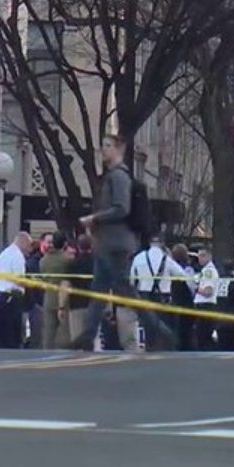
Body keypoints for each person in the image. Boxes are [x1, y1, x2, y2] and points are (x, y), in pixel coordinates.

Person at [72, 134, 141, 350]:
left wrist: (94, 218)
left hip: (116, 244)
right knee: (99, 292)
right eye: (103, 145)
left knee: (123, 289)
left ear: (120, 149)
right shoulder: (112, 176)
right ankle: (87, 336)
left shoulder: (119, 177)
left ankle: (157, 329)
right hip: (107, 244)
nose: (103, 150)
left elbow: (122, 208)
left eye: (108, 146)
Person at [129, 235, 184, 351]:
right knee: (161, 323)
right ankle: (165, 346)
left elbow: (132, 280)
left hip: (144, 295)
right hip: (162, 296)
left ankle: (150, 346)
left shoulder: (139, 258)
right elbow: (181, 275)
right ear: (161, 244)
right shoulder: (167, 259)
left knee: (147, 324)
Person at [0, 232, 35, 349]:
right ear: (23, 242)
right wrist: (33, 282)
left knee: (2, 333)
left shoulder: (4, 254)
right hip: (11, 299)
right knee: (12, 334)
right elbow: (19, 279)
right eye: (29, 245)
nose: (30, 250)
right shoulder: (17, 257)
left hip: (0, 297)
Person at [39, 232, 72, 350]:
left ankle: (46, 354)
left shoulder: (44, 260)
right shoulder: (67, 260)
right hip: (65, 298)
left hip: (48, 297)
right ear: (65, 244)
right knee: (65, 330)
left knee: (49, 331)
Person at [61, 235, 94, 347]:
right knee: (93, 337)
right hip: (95, 305)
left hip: (76, 305)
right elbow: (105, 285)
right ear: (92, 246)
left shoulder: (72, 264)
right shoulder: (98, 264)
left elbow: (65, 285)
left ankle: (79, 361)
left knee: (76, 337)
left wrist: (61, 306)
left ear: (79, 247)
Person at [23, 232, 53, 348]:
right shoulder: (33, 262)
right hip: (37, 305)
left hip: (51, 305)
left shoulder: (55, 260)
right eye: (48, 242)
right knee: (37, 338)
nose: (51, 245)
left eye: (52, 243)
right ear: (41, 242)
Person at [170, 244, 198, 351]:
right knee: (187, 328)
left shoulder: (169, 267)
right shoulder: (187, 269)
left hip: (174, 300)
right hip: (186, 301)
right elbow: (191, 285)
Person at [193, 248, 221, 350]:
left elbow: (208, 292)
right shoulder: (205, 270)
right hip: (204, 306)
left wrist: (195, 288)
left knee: (203, 335)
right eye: (199, 255)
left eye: (203, 255)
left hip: (205, 305)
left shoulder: (208, 271)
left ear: (210, 256)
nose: (200, 258)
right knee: (203, 335)